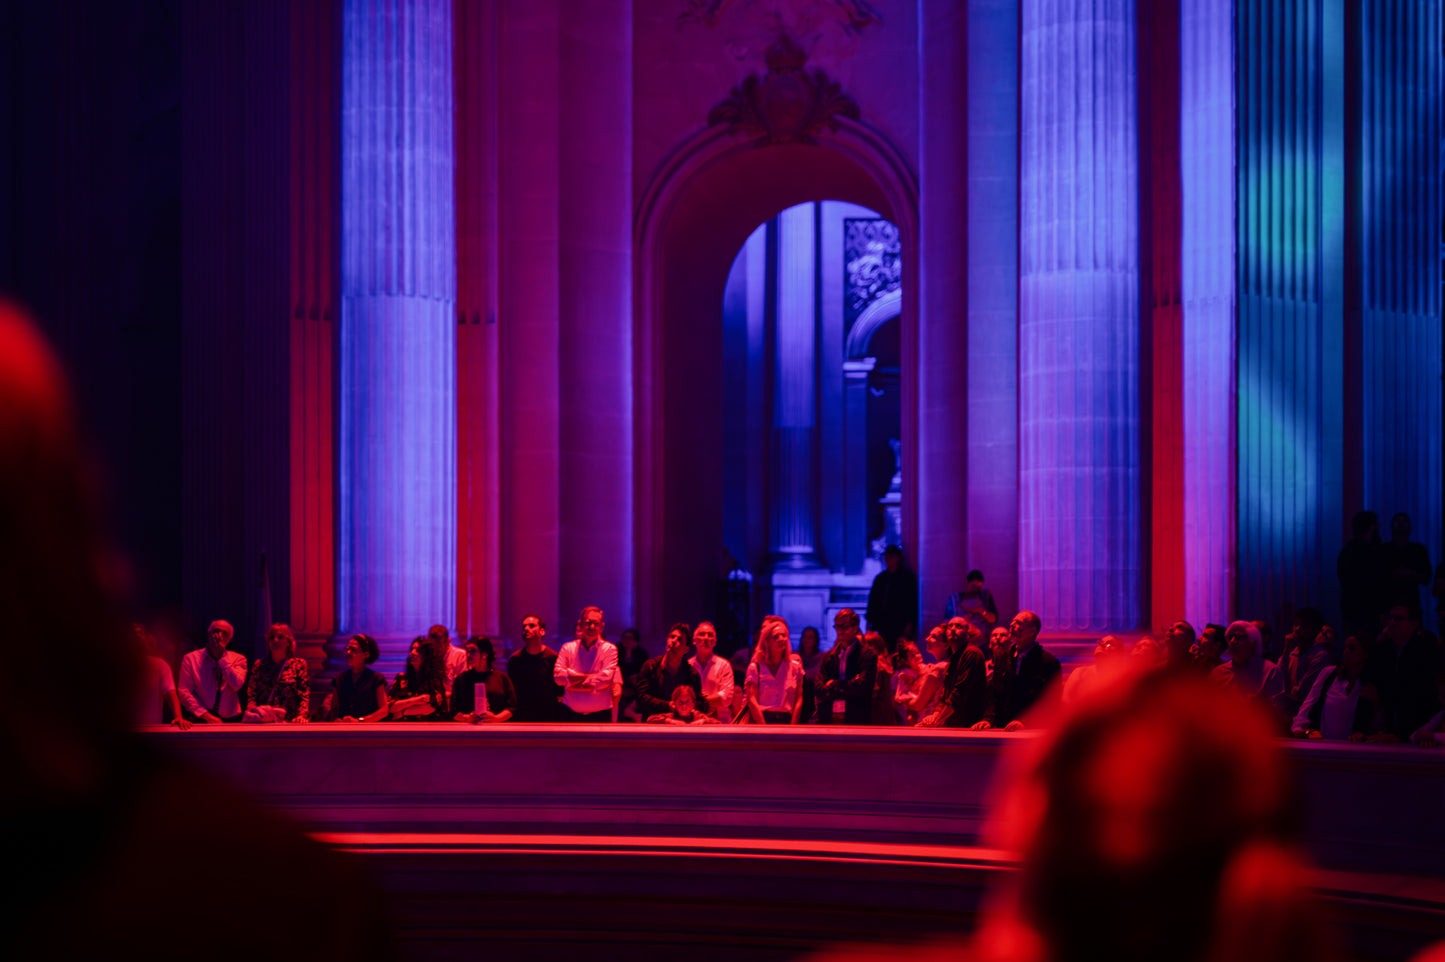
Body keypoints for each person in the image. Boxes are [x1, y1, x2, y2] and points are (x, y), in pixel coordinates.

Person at [1367, 603, 1443, 741]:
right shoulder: (1381, 650)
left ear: (1414, 624)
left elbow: (1424, 693)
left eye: (1399, 618)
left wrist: (1402, 734)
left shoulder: (1426, 650)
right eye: (1391, 618)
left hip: (1420, 728)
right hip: (1388, 724)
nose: (1392, 622)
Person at [975, 610, 1060, 730]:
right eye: (1012, 621)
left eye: (1018, 622)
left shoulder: (1048, 662)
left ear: (1032, 631)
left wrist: (1026, 722)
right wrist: (988, 719)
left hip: (1031, 732)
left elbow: (1049, 702)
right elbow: (994, 694)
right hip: (1001, 728)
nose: (1011, 625)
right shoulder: (1003, 658)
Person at [1290, 634, 1380, 741]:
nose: (1346, 652)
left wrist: (1377, 703)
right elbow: (1309, 703)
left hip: (1355, 750)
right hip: (1323, 744)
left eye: (1351, 649)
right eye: (1344, 648)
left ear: (1365, 653)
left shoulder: (1370, 685)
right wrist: (1299, 727)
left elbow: (1378, 724)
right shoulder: (1329, 674)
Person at [1211, 621, 1285, 725]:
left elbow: (1278, 714)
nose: (1233, 641)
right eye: (1230, 637)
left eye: (1239, 637)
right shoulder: (1218, 673)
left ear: (1253, 643)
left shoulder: (1270, 671)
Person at [554, 606, 619, 722]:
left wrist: (572, 678)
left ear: (602, 627)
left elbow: (606, 680)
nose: (592, 627)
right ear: (580, 624)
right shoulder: (567, 648)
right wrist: (593, 681)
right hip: (569, 713)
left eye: (596, 623)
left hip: (600, 715)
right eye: (588, 623)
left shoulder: (610, 649)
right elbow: (558, 677)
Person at [177, 619, 248, 724]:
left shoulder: (238, 659)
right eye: (215, 631)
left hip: (230, 719)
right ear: (208, 634)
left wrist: (222, 659)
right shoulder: (191, 659)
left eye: (224, 633)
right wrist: (205, 715)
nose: (219, 636)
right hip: (201, 718)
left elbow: (236, 684)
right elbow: (184, 692)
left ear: (229, 639)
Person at [922, 617, 987, 728]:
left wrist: (938, 720)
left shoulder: (972, 653)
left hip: (969, 725)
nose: (952, 629)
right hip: (954, 723)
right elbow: (944, 695)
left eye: (958, 626)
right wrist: (935, 715)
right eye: (949, 626)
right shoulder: (952, 660)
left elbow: (959, 693)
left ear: (968, 634)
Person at [814, 608, 876, 724]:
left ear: (855, 628)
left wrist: (833, 684)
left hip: (856, 718)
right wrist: (848, 685)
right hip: (829, 716)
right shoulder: (829, 656)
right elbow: (818, 689)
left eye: (845, 627)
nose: (840, 630)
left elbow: (862, 687)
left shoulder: (867, 655)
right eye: (837, 626)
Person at [636, 623, 708, 719]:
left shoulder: (692, 674)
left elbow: (699, 703)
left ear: (686, 649)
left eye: (679, 639)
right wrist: (668, 705)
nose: (673, 641)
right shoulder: (650, 667)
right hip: (653, 725)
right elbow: (641, 698)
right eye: (672, 637)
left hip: (681, 727)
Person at [245, 624, 310, 722]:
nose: (275, 640)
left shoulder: (298, 665)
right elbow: (252, 694)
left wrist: (301, 716)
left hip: (289, 721)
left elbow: (303, 694)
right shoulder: (259, 665)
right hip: (263, 720)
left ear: (288, 642)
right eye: (272, 637)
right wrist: (252, 711)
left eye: (280, 637)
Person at [1338, 510, 1385, 641]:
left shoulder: (1347, 551)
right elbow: (1375, 584)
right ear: (1372, 527)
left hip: (1350, 609)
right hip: (1369, 612)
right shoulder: (1372, 553)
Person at [745, 618, 803, 724]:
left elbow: (799, 699)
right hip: (763, 718)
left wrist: (793, 726)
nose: (781, 639)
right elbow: (751, 699)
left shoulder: (795, 667)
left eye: (784, 635)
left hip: (787, 719)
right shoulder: (756, 667)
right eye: (776, 637)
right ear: (767, 642)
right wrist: (763, 727)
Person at [1277, 611, 1334, 718]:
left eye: (1303, 625)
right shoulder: (1291, 653)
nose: (1297, 629)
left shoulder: (1320, 655)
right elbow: (1277, 684)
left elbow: (1303, 693)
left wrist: (1286, 692)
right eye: (1296, 624)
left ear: (1315, 631)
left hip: (1305, 717)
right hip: (1285, 715)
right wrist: (1285, 653)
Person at [133, 623, 189, 729]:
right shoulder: (116, 665)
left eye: (139, 632)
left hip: (152, 730)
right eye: (132, 633)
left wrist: (178, 716)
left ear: (146, 638)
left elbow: (170, 693)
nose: (136, 636)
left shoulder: (160, 665)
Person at [508, 613, 561, 722]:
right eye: (524, 627)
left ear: (542, 631)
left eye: (531, 626)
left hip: (547, 715)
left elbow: (559, 691)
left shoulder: (553, 658)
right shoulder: (515, 660)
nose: (526, 629)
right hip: (522, 716)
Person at [451, 636, 516, 723]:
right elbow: (453, 711)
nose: (468, 655)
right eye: (468, 651)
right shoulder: (461, 679)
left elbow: (512, 707)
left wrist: (496, 718)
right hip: (468, 730)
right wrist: (468, 718)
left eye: (473, 651)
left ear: (485, 654)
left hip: (497, 729)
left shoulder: (501, 678)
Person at [1380, 512, 1432, 614]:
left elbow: (1427, 578)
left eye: (1404, 521)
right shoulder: (1382, 550)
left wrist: (1411, 575)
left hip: (1412, 605)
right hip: (1388, 604)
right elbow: (1376, 577)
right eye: (1397, 521)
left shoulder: (1419, 550)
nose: (1401, 523)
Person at [329, 633, 389, 722]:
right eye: (347, 649)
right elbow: (334, 709)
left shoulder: (376, 679)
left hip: (368, 730)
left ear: (366, 654)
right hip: (344, 729)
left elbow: (384, 711)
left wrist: (360, 721)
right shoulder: (339, 679)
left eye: (353, 650)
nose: (349, 652)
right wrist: (335, 720)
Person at [866, 545, 917, 646]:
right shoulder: (881, 579)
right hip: (881, 623)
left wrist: (909, 623)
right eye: (886, 556)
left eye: (891, 556)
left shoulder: (906, 579)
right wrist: (870, 620)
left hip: (899, 623)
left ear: (898, 557)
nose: (887, 559)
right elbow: (873, 601)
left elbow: (911, 603)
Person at [389, 637, 448, 720]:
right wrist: (415, 701)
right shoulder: (401, 678)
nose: (412, 653)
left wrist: (402, 711)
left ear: (427, 656)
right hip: (402, 727)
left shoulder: (434, 679)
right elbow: (390, 707)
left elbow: (432, 707)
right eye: (412, 649)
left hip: (429, 728)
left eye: (418, 650)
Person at [690, 620, 734, 721]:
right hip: (693, 721)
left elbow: (727, 697)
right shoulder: (687, 666)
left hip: (720, 722)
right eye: (702, 634)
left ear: (714, 641)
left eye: (710, 635)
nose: (706, 638)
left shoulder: (724, 665)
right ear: (694, 640)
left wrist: (699, 702)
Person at [1063, 635, 1126, 705]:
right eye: (1101, 642)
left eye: (1110, 643)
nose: (1102, 645)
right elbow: (1066, 702)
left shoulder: (1123, 680)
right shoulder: (1080, 673)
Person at [944, 569, 999, 636]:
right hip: (961, 638)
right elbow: (946, 622)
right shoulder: (954, 599)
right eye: (973, 586)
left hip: (982, 639)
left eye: (979, 587)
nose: (976, 589)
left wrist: (981, 611)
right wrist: (961, 620)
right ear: (967, 582)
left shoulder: (986, 596)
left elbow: (993, 619)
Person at [616, 627, 649, 721]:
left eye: (629, 638)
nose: (626, 641)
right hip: (621, 689)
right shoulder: (617, 651)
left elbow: (643, 671)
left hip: (635, 690)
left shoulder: (642, 653)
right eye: (624, 638)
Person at [646, 685, 719, 726]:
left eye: (687, 702)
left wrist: (703, 721)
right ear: (674, 704)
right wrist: (671, 722)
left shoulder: (698, 716)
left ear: (693, 703)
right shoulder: (671, 716)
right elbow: (650, 719)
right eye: (680, 702)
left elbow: (717, 723)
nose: (684, 706)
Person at [429, 623, 468, 699]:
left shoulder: (460, 655)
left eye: (439, 644)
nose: (436, 648)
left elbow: (464, 685)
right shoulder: (429, 656)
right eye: (433, 645)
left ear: (448, 641)